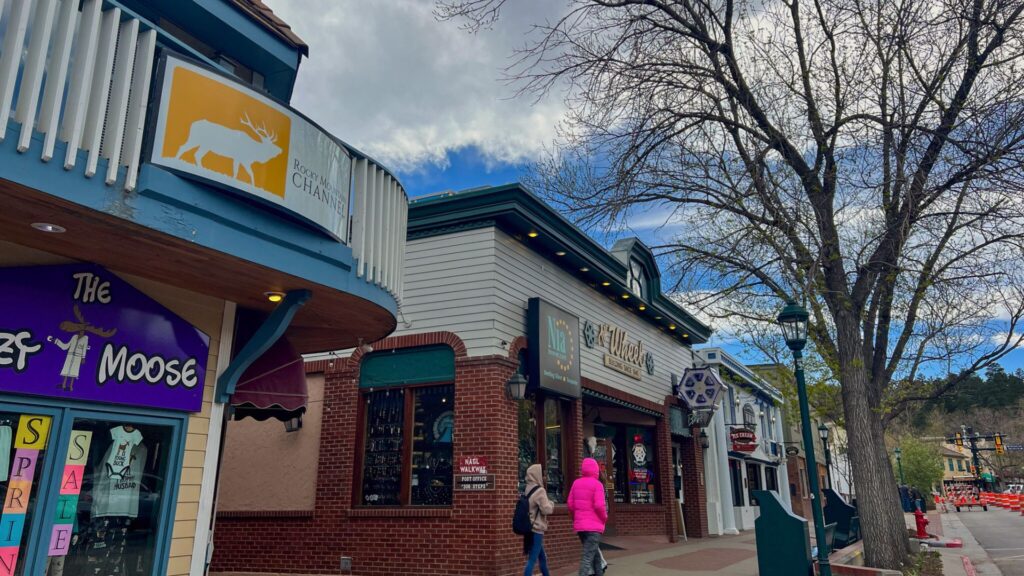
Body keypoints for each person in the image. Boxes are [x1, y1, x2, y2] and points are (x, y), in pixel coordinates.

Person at [568, 458, 608, 576]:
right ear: (595, 470)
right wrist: (604, 518)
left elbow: (570, 504)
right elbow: (599, 505)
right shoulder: (598, 485)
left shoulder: (576, 483)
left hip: (581, 527)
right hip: (594, 527)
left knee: (595, 556)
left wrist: (576, 518)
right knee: (587, 558)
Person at [523, 464, 555, 576]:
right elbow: (546, 510)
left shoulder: (527, 489)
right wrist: (551, 503)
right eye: (542, 474)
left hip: (529, 527)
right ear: (537, 475)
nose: (544, 476)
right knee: (532, 559)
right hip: (537, 529)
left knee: (542, 558)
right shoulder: (540, 491)